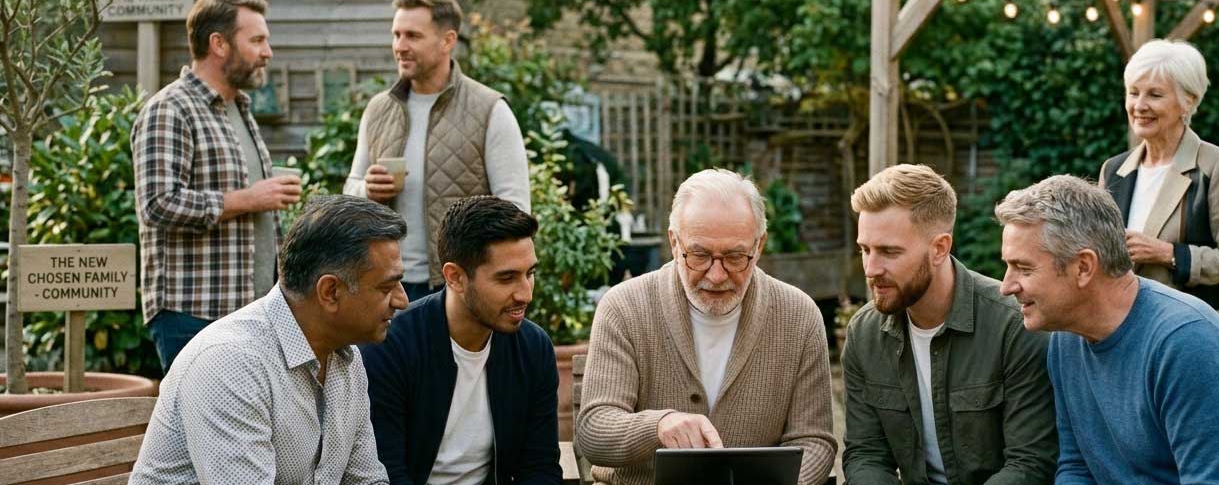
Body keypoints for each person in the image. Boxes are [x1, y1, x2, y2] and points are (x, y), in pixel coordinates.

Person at [995, 175, 1219, 483]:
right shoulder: (1066, 339)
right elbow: (1077, 467)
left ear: (1084, 267)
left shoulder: (1188, 344)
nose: (1006, 286)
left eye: (1024, 268)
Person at [575, 169, 836, 485]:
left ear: (760, 246)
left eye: (735, 257)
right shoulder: (625, 307)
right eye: (699, 255)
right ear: (674, 242)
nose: (716, 274)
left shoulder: (799, 316)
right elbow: (594, 430)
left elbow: (815, 442)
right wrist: (660, 426)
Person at [130, 195, 409, 484]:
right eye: (386, 287)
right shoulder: (230, 363)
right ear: (330, 292)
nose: (402, 300)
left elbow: (365, 480)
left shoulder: (346, 359)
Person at [842, 164, 1056, 484]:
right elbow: (865, 454)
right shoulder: (865, 333)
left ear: (939, 248)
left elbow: (1030, 464)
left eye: (889, 252)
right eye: (865, 249)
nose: (871, 269)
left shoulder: (1014, 327)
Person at [133, 0, 301, 373]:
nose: (268, 51)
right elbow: (157, 204)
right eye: (257, 40)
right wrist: (249, 199)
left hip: (251, 309)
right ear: (219, 44)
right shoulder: (169, 109)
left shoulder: (239, 108)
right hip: (193, 314)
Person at [344, 0, 530, 302]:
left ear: (448, 41)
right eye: (396, 35)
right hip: (388, 285)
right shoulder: (378, 110)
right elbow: (350, 191)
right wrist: (367, 191)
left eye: (413, 36)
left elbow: (515, 209)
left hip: (458, 285)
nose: (400, 46)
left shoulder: (489, 110)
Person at [361, 196, 560, 485]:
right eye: (506, 278)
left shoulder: (532, 348)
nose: (525, 294)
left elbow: (540, 468)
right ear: (455, 277)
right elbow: (385, 472)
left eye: (529, 274)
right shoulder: (393, 345)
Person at [1099, 39, 1219, 332]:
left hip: (1194, 334)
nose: (1139, 105)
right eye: (1133, 93)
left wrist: (1169, 253)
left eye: (1155, 95)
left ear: (1188, 100)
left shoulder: (1218, 165)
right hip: (1124, 331)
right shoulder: (1113, 170)